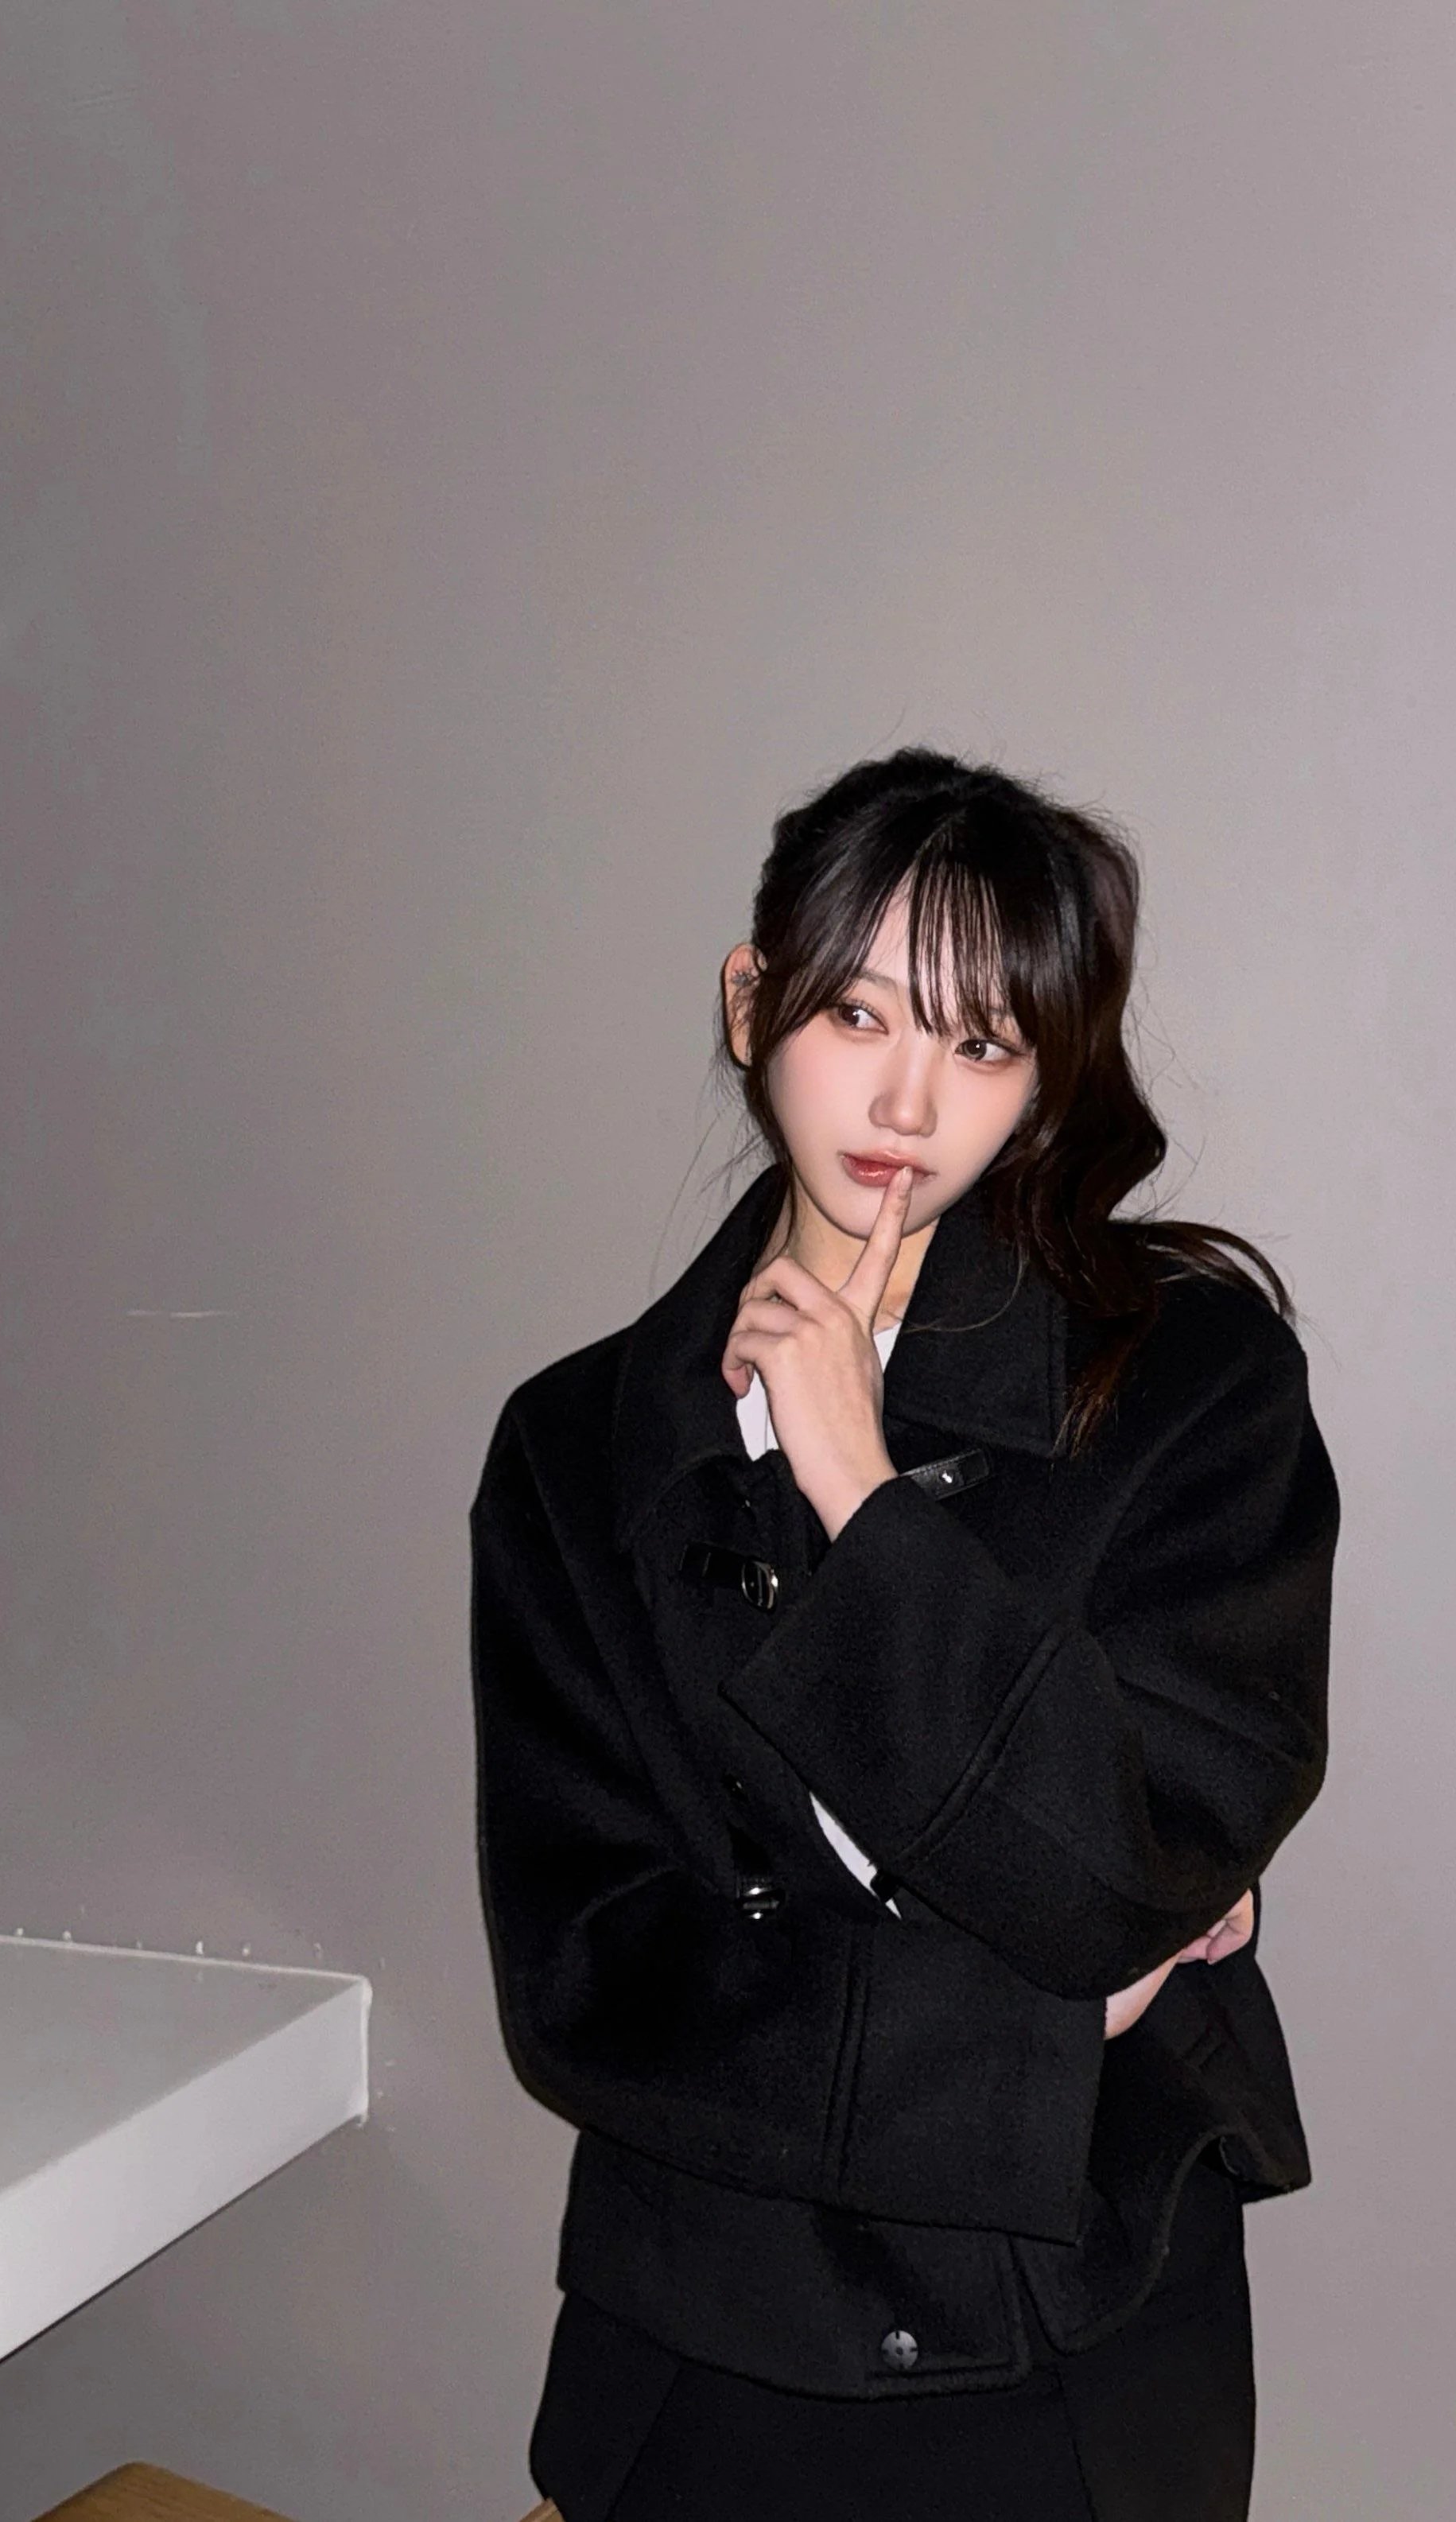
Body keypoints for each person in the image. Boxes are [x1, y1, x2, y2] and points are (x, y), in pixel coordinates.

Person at [469, 748, 1341, 2521]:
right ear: (749, 1001)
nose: (906, 1097)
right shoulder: (576, 1446)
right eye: (856, 1011)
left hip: (1065, 2328)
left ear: (1043, 1077)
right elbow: (590, 1980)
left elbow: (1117, 1871)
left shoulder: (1192, 1382)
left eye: (982, 1042)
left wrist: (859, 1490)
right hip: (697, 2332)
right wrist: (1044, 2029)